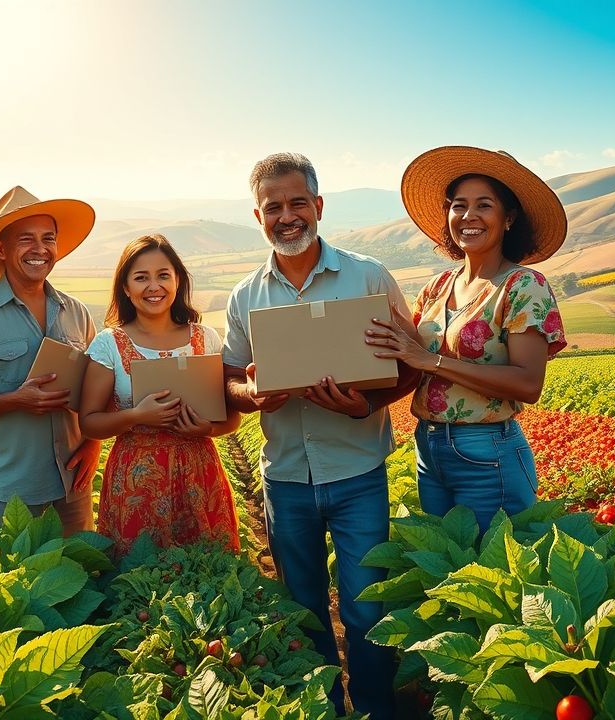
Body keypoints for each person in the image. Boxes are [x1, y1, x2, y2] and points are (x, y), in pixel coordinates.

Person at [222, 152, 417, 720]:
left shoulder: (368, 275)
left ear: (319, 206)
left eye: (297, 203)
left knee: (366, 609)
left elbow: (410, 360)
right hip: (285, 478)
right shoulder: (244, 296)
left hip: (359, 472)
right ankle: (326, 708)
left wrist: (367, 405)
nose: (287, 215)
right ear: (258, 216)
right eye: (274, 206)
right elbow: (231, 377)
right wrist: (250, 395)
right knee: (304, 608)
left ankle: (377, 707)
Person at [366, 146, 568, 530]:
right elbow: (401, 354)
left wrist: (432, 361)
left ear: (508, 219)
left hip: (487, 449)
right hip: (429, 448)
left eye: (484, 206)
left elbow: (528, 383)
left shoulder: (523, 286)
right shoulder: (437, 286)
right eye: (459, 205)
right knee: (450, 568)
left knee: (498, 571)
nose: (468, 216)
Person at [0, 186, 102, 532]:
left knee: (84, 576)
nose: (40, 249)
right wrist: (15, 400)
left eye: (48, 238)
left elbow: (99, 390)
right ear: (1, 249)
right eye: (26, 239)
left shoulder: (78, 313)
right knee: (21, 581)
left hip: (74, 484)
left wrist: (93, 445)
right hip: (13, 490)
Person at [78, 234, 241, 556]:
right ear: (125, 287)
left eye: (163, 275)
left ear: (177, 281)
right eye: (141, 278)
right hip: (135, 480)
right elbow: (89, 423)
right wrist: (137, 416)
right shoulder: (108, 344)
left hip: (199, 474)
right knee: (138, 581)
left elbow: (232, 417)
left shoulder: (205, 338)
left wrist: (205, 429)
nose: (154, 286)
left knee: (208, 575)